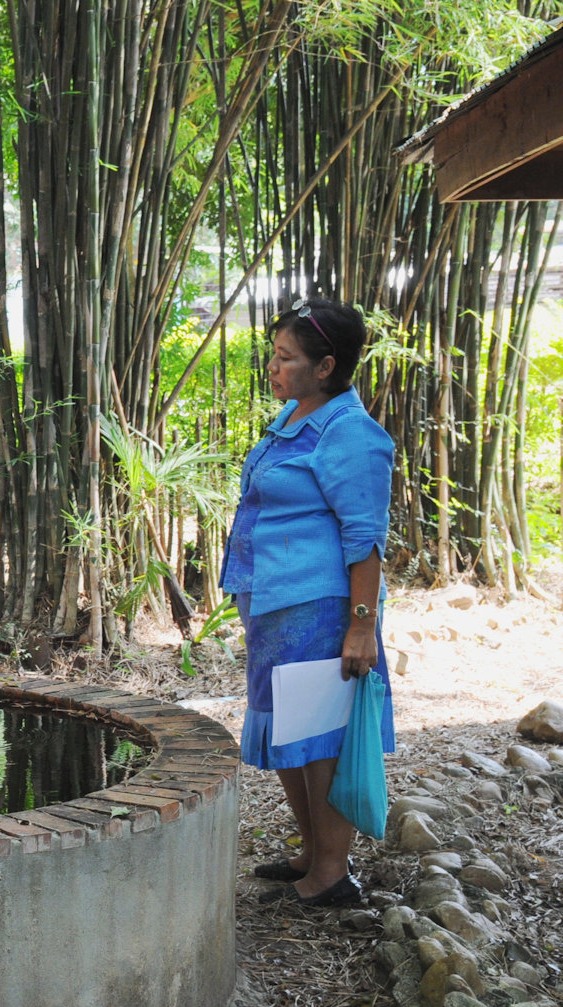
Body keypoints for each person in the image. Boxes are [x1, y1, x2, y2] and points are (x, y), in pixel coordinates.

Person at [221, 297, 395, 908]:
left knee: (319, 737)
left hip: (321, 608)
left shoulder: (351, 434)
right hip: (274, 604)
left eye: (286, 357)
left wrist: (361, 629)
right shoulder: (294, 417)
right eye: (273, 354)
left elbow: (365, 540)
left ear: (325, 366)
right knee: (289, 731)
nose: (273, 367)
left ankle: (330, 874)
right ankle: (310, 851)